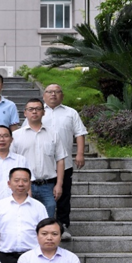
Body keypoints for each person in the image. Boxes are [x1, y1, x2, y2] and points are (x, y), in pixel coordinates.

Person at [40, 84, 88, 240]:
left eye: (57, 92)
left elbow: (79, 133)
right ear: (44, 95)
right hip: (43, 164)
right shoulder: (38, 112)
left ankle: (63, 225)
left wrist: (80, 153)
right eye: (49, 92)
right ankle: (42, 227)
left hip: (65, 163)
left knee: (64, 196)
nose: (53, 94)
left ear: (62, 95)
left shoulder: (71, 113)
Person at [12, 98, 67, 219]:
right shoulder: (16, 136)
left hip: (47, 185)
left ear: (43, 112)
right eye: (31, 109)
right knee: (26, 218)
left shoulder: (53, 134)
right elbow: (11, 161)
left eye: (38, 109)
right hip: (24, 185)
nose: (34, 112)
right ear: (25, 113)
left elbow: (60, 160)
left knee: (48, 219)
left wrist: (59, 184)